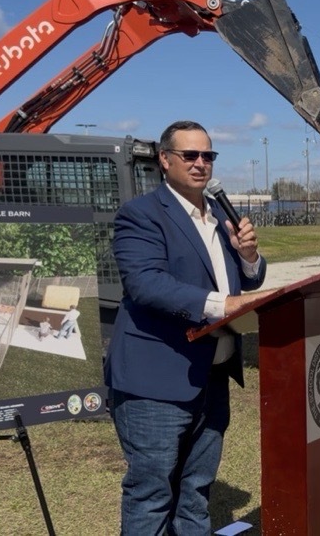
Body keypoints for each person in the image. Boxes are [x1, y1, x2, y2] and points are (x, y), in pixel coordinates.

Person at [104, 120, 273, 534]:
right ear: (165, 160)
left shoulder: (218, 217)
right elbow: (145, 284)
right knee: (152, 494)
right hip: (156, 382)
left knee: (197, 491)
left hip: (212, 377)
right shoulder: (141, 215)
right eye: (190, 155)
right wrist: (223, 304)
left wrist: (248, 256)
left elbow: (245, 280)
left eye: (208, 156)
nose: (201, 164)